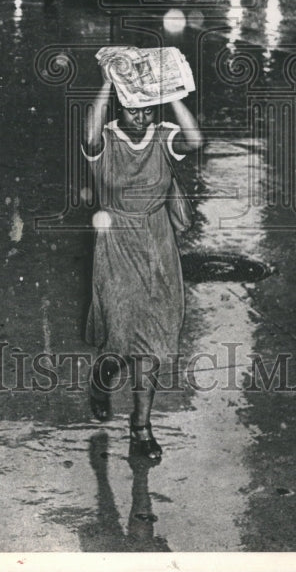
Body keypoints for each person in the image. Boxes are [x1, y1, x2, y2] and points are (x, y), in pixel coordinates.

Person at [83, 67, 203, 460]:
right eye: (133, 109)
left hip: (157, 246)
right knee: (118, 337)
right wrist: (107, 81)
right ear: (120, 105)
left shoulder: (164, 134)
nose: (141, 117)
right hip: (116, 245)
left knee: (150, 341)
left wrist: (169, 94)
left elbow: (195, 139)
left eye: (147, 110)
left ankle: (141, 427)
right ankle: (101, 383)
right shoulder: (106, 140)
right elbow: (89, 134)